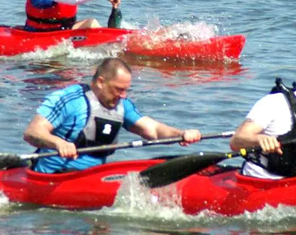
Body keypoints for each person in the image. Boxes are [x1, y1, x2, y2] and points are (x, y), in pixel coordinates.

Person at [24, 57, 202, 173]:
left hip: (93, 176)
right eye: (119, 89)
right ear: (101, 82)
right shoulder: (69, 99)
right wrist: (58, 143)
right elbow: (32, 132)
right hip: (54, 176)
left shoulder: (122, 105)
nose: (123, 95)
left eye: (126, 90)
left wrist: (180, 134)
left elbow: (153, 130)